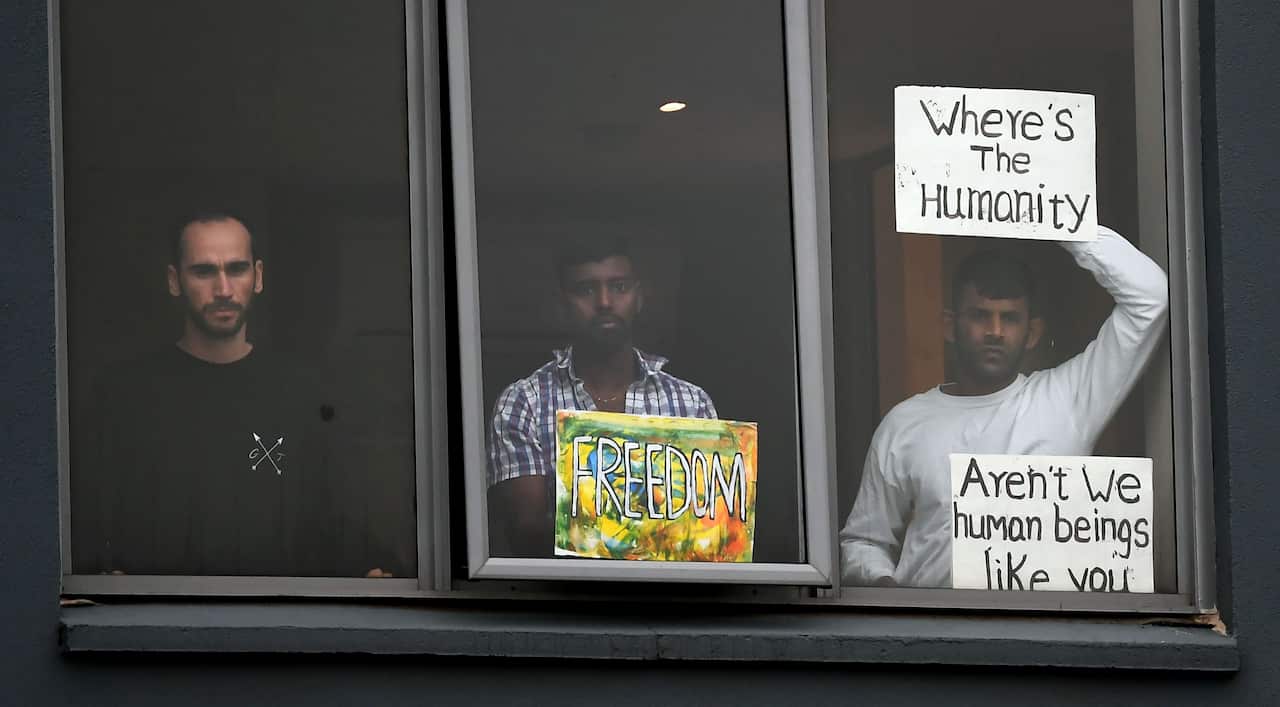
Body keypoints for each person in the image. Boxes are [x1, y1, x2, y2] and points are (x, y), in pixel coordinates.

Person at [839, 225, 1169, 588]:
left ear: (1032, 332)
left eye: (1010, 318)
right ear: (951, 325)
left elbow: (1150, 297)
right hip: (932, 632)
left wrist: (1061, 222)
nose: (995, 330)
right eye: (980, 315)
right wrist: (886, 589)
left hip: (1047, 630)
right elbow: (864, 541)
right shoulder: (904, 425)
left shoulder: (1068, 400)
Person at [73, 212, 351, 576]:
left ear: (259, 276)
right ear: (175, 280)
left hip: (275, 619)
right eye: (204, 271)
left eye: (237, 269)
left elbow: (331, 522)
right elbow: (89, 525)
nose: (223, 289)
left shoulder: (301, 394)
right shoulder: (124, 395)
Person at [487, 238, 717, 557]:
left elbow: (709, 530)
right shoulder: (525, 402)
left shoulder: (691, 404)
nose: (605, 302)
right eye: (586, 290)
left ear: (639, 297)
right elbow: (528, 529)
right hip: (560, 601)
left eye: (620, 286)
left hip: (671, 602)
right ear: (561, 302)